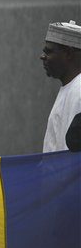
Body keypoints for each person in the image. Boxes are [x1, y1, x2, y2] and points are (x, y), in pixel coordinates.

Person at [41, 20, 81, 153]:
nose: (42, 57)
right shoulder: (70, 87)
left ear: (68, 54)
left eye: (49, 52)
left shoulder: (79, 89)